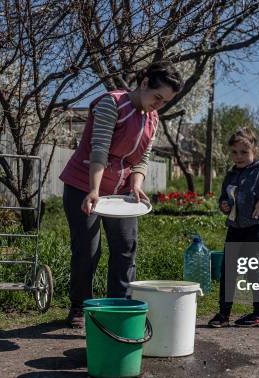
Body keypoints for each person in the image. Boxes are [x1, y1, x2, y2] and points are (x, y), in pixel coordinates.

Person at [59, 61, 183, 328]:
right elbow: (99, 149)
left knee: (126, 247)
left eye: (165, 102)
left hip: (122, 192)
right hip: (84, 186)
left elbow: (142, 158)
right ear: (145, 82)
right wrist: (93, 190)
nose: (158, 105)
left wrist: (137, 185)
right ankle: (80, 306)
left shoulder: (153, 118)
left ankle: (119, 307)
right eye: (157, 97)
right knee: (88, 250)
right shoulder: (111, 104)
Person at [208, 128, 259, 328]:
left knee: (254, 272)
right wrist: (224, 205)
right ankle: (223, 314)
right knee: (228, 271)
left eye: (244, 152)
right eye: (234, 152)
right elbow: (223, 198)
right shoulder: (230, 174)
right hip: (235, 228)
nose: (239, 157)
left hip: (256, 229)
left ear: (254, 150)